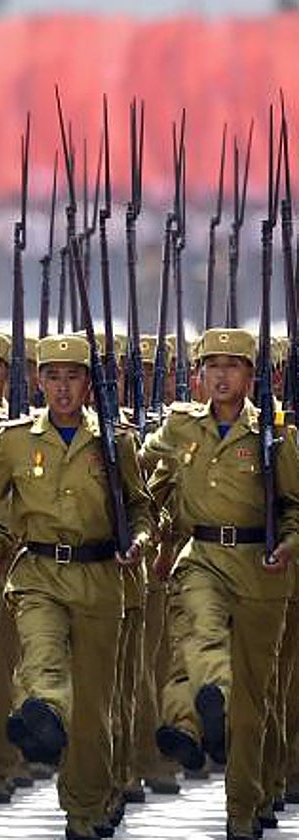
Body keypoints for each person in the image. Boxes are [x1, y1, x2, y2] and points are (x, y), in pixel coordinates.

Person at [0, 333, 153, 840]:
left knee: (93, 709)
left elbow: (140, 507)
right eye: (52, 377)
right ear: (38, 382)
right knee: (43, 653)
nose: (62, 387)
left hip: (100, 578)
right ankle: (42, 708)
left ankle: (84, 809)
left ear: (89, 384)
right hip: (39, 574)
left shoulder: (114, 439)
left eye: (73, 377)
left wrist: (138, 540)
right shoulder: (15, 440)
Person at [141, 327, 299, 840]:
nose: (222, 375)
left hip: (259, 568)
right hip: (202, 557)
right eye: (212, 366)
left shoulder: (275, 433)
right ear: (199, 375)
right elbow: (143, 468)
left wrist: (289, 543)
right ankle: (212, 697)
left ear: (251, 376)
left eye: (233, 365)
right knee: (203, 635)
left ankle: (245, 804)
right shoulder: (182, 425)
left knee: (255, 701)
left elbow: (295, 506)